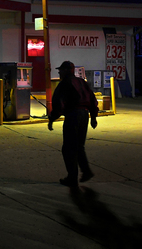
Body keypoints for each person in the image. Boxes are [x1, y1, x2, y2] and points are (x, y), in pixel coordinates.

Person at [48, 60, 99, 188]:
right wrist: (93, 117)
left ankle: (72, 178)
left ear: (66, 71)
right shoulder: (82, 82)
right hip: (84, 116)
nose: (59, 72)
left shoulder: (64, 84)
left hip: (73, 116)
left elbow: (59, 103)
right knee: (79, 146)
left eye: (60, 70)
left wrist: (52, 119)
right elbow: (92, 99)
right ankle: (86, 172)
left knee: (68, 148)